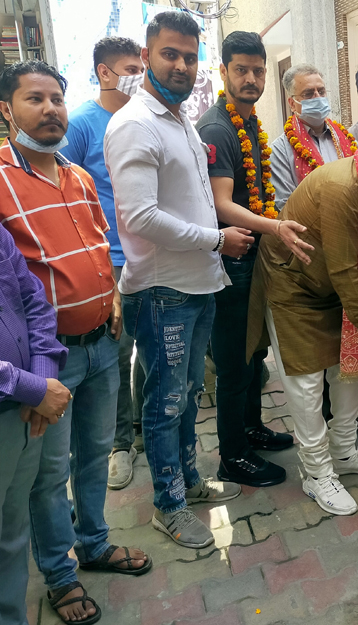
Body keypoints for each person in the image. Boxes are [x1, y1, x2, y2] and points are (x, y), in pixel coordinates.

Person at [0, 59, 151, 625]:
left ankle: (94, 543)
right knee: (47, 473)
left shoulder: (80, 176)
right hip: (49, 358)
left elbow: (100, 245)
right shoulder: (1, 180)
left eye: (56, 99)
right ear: (6, 110)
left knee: (94, 456)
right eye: (34, 99)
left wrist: (110, 295)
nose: (49, 110)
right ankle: (59, 577)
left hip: (101, 345)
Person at [105, 11, 252, 549]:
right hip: (163, 291)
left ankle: (188, 482)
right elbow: (139, 217)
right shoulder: (135, 124)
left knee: (187, 395)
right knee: (165, 402)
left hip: (197, 286)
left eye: (190, 56)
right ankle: (166, 506)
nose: (182, 65)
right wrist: (216, 239)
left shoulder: (179, 120)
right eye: (170, 54)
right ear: (146, 57)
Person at [247, 115, 358, 516]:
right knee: (307, 385)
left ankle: (343, 452)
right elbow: (345, 268)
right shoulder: (344, 187)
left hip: (334, 288)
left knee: (347, 370)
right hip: (295, 286)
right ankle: (316, 473)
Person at [196, 31, 305, 488]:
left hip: (254, 259)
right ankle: (233, 456)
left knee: (253, 352)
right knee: (235, 363)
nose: (251, 78)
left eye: (258, 70)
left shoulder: (251, 123)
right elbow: (222, 204)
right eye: (241, 69)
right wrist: (276, 227)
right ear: (223, 72)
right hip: (230, 263)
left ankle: (252, 429)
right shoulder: (218, 128)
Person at [62, 36, 146, 491]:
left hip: (149, 255)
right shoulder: (81, 125)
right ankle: (119, 445)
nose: (138, 74)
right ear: (104, 73)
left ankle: (147, 430)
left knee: (149, 350)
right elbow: (64, 197)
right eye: (129, 67)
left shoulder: (146, 117)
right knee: (114, 354)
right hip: (107, 262)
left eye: (140, 66)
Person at [0, 222, 69, 625]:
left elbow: (33, 301)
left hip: (22, 416)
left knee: (11, 538)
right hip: (22, 401)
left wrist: (43, 380)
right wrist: (31, 388)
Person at [271, 63, 358, 210]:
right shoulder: (280, 150)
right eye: (308, 93)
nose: (318, 97)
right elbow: (285, 205)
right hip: (309, 229)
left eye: (321, 91)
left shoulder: (347, 139)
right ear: (292, 104)